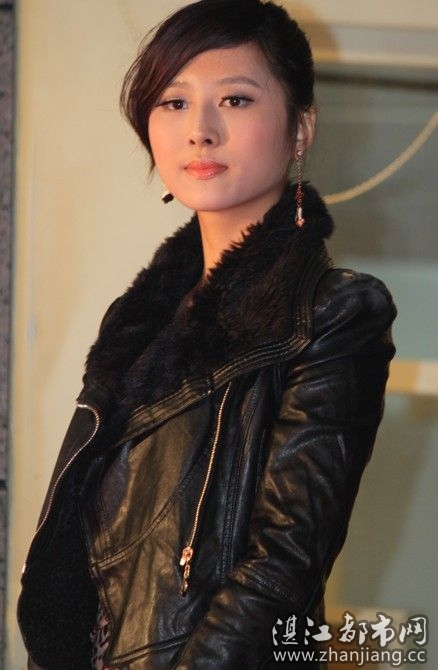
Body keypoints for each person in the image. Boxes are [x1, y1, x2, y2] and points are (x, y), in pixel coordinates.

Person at [17, 0, 397, 668]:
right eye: (174, 102)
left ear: (301, 128)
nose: (200, 131)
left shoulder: (333, 313)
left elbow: (281, 570)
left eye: (236, 99)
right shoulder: (136, 323)